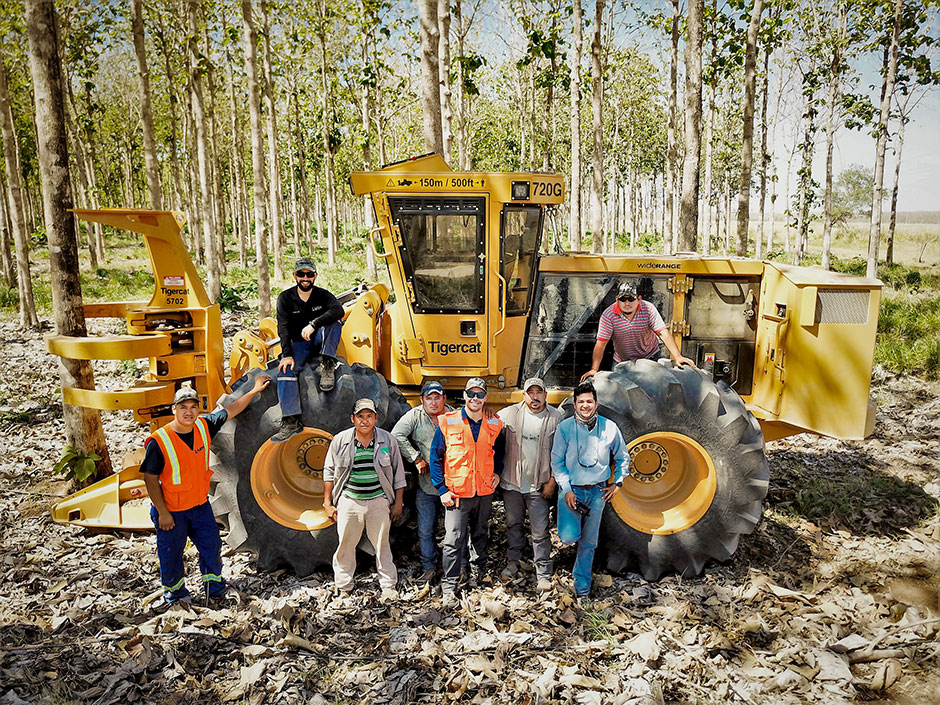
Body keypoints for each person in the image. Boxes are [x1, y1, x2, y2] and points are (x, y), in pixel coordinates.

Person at [142, 376, 271, 607]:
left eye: (193, 407)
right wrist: (162, 512)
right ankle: (175, 595)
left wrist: (253, 391)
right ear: (174, 410)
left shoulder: (203, 426)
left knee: (211, 546)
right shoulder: (160, 441)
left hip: (199, 506)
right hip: (172, 511)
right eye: (183, 408)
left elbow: (230, 410)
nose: (189, 412)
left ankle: (214, 587)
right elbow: (150, 479)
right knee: (171, 554)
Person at [550, 380, 629, 604]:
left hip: (597, 493)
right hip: (571, 491)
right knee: (568, 536)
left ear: (596, 404)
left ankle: (582, 588)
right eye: (581, 401)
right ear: (574, 404)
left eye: (589, 401)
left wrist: (618, 483)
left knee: (589, 542)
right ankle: (574, 559)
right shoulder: (565, 428)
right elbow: (557, 462)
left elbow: (623, 457)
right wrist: (566, 489)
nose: (586, 405)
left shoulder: (609, 427)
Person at [429, 377, 505, 606]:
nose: (475, 398)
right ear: (464, 396)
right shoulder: (448, 422)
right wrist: (441, 489)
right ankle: (450, 586)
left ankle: (478, 574)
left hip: (483, 492)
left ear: (486, 398)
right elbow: (435, 457)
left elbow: (500, 453)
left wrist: (498, 473)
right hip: (457, 493)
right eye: (471, 394)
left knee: (480, 534)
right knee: (453, 540)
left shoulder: (494, 424)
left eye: (480, 394)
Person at [322, 398, 406, 601]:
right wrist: (327, 502)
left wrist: (397, 503)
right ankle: (343, 585)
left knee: (382, 544)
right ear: (353, 419)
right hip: (350, 500)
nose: (365, 421)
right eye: (360, 416)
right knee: (346, 544)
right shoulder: (340, 441)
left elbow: (398, 474)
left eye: (369, 416)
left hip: (378, 500)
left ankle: (388, 585)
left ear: (376, 418)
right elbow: (329, 471)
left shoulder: (387, 441)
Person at [496, 377, 561, 592]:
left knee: (540, 531)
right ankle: (513, 562)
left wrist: (552, 482)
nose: (535, 397)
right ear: (524, 395)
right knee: (513, 525)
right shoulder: (508, 415)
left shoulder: (556, 418)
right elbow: (489, 437)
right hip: (512, 485)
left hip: (539, 486)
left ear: (545, 395)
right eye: (530, 392)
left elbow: (561, 454)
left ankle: (543, 572)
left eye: (539, 392)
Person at [274, 257, 344, 442]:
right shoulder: (285, 298)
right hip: (298, 344)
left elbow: (338, 310)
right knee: (285, 371)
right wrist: (287, 355)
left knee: (335, 322)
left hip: (320, 340)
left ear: (315, 276)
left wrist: (314, 324)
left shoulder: (323, 295)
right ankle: (291, 420)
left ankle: (328, 364)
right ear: (295, 276)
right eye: (301, 274)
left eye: (309, 274)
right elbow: (283, 328)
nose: (305, 278)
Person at [391, 381, 453, 584]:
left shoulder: (455, 416)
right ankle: (429, 568)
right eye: (429, 398)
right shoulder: (415, 416)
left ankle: (457, 569)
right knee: (426, 529)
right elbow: (396, 436)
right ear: (422, 400)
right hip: (427, 484)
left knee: (457, 531)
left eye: (438, 398)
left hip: (453, 485)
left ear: (444, 399)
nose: (434, 402)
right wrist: (416, 458)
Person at [581, 280, 694, 381]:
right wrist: (594, 369)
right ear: (617, 299)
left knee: (654, 390)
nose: (627, 303)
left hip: (650, 357)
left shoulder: (648, 309)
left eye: (631, 299)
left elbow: (663, 333)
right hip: (622, 361)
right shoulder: (608, 315)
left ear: (639, 299)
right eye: (622, 299)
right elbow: (601, 343)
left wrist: (678, 357)